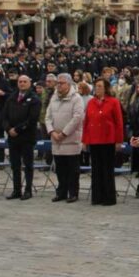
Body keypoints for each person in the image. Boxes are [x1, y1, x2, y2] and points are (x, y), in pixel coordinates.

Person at [82, 78, 124, 206]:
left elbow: (119, 123)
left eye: (100, 86)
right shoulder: (91, 102)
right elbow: (86, 122)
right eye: (96, 86)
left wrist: (118, 141)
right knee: (96, 169)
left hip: (108, 139)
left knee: (107, 169)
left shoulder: (113, 102)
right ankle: (97, 197)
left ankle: (108, 197)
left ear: (106, 88)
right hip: (94, 140)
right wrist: (84, 140)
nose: (97, 88)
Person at [45, 73, 85, 203]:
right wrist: (51, 131)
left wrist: (63, 133)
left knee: (72, 169)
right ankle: (61, 192)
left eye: (61, 83)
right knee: (60, 168)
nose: (59, 86)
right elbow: (48, 117)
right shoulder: (54, 97)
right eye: (57, 83)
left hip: (70, 139)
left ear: (68, 84)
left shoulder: (76, 98)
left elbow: (77, 118)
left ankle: (73, 193)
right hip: (56, 140)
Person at [2, 75, 41, 200]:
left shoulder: (34, 99)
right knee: (15, 165)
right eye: (20, 82)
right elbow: (4, 116)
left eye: (25, 82)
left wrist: (17, 129)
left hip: (26, 136)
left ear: (30, 83)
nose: (22, 84)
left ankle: (28, 190)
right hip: (13, 137)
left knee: (28, 165)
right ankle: (16, 189)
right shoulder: (11, 97)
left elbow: (32, 119)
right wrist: (8, 129)